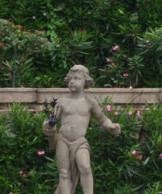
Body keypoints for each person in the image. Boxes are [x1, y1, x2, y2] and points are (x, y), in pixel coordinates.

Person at [42, 65, 121, 194]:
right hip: (63, 139)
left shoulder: (90, 102)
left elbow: (102, 120)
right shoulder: (61, 102)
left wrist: (111, 126)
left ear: (85, 81)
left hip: (79, 141)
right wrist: (48, 126)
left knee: (85, 167)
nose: (72, 81)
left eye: (77, 78)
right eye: (71, 78)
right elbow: (52, 120)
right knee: (64, 172)